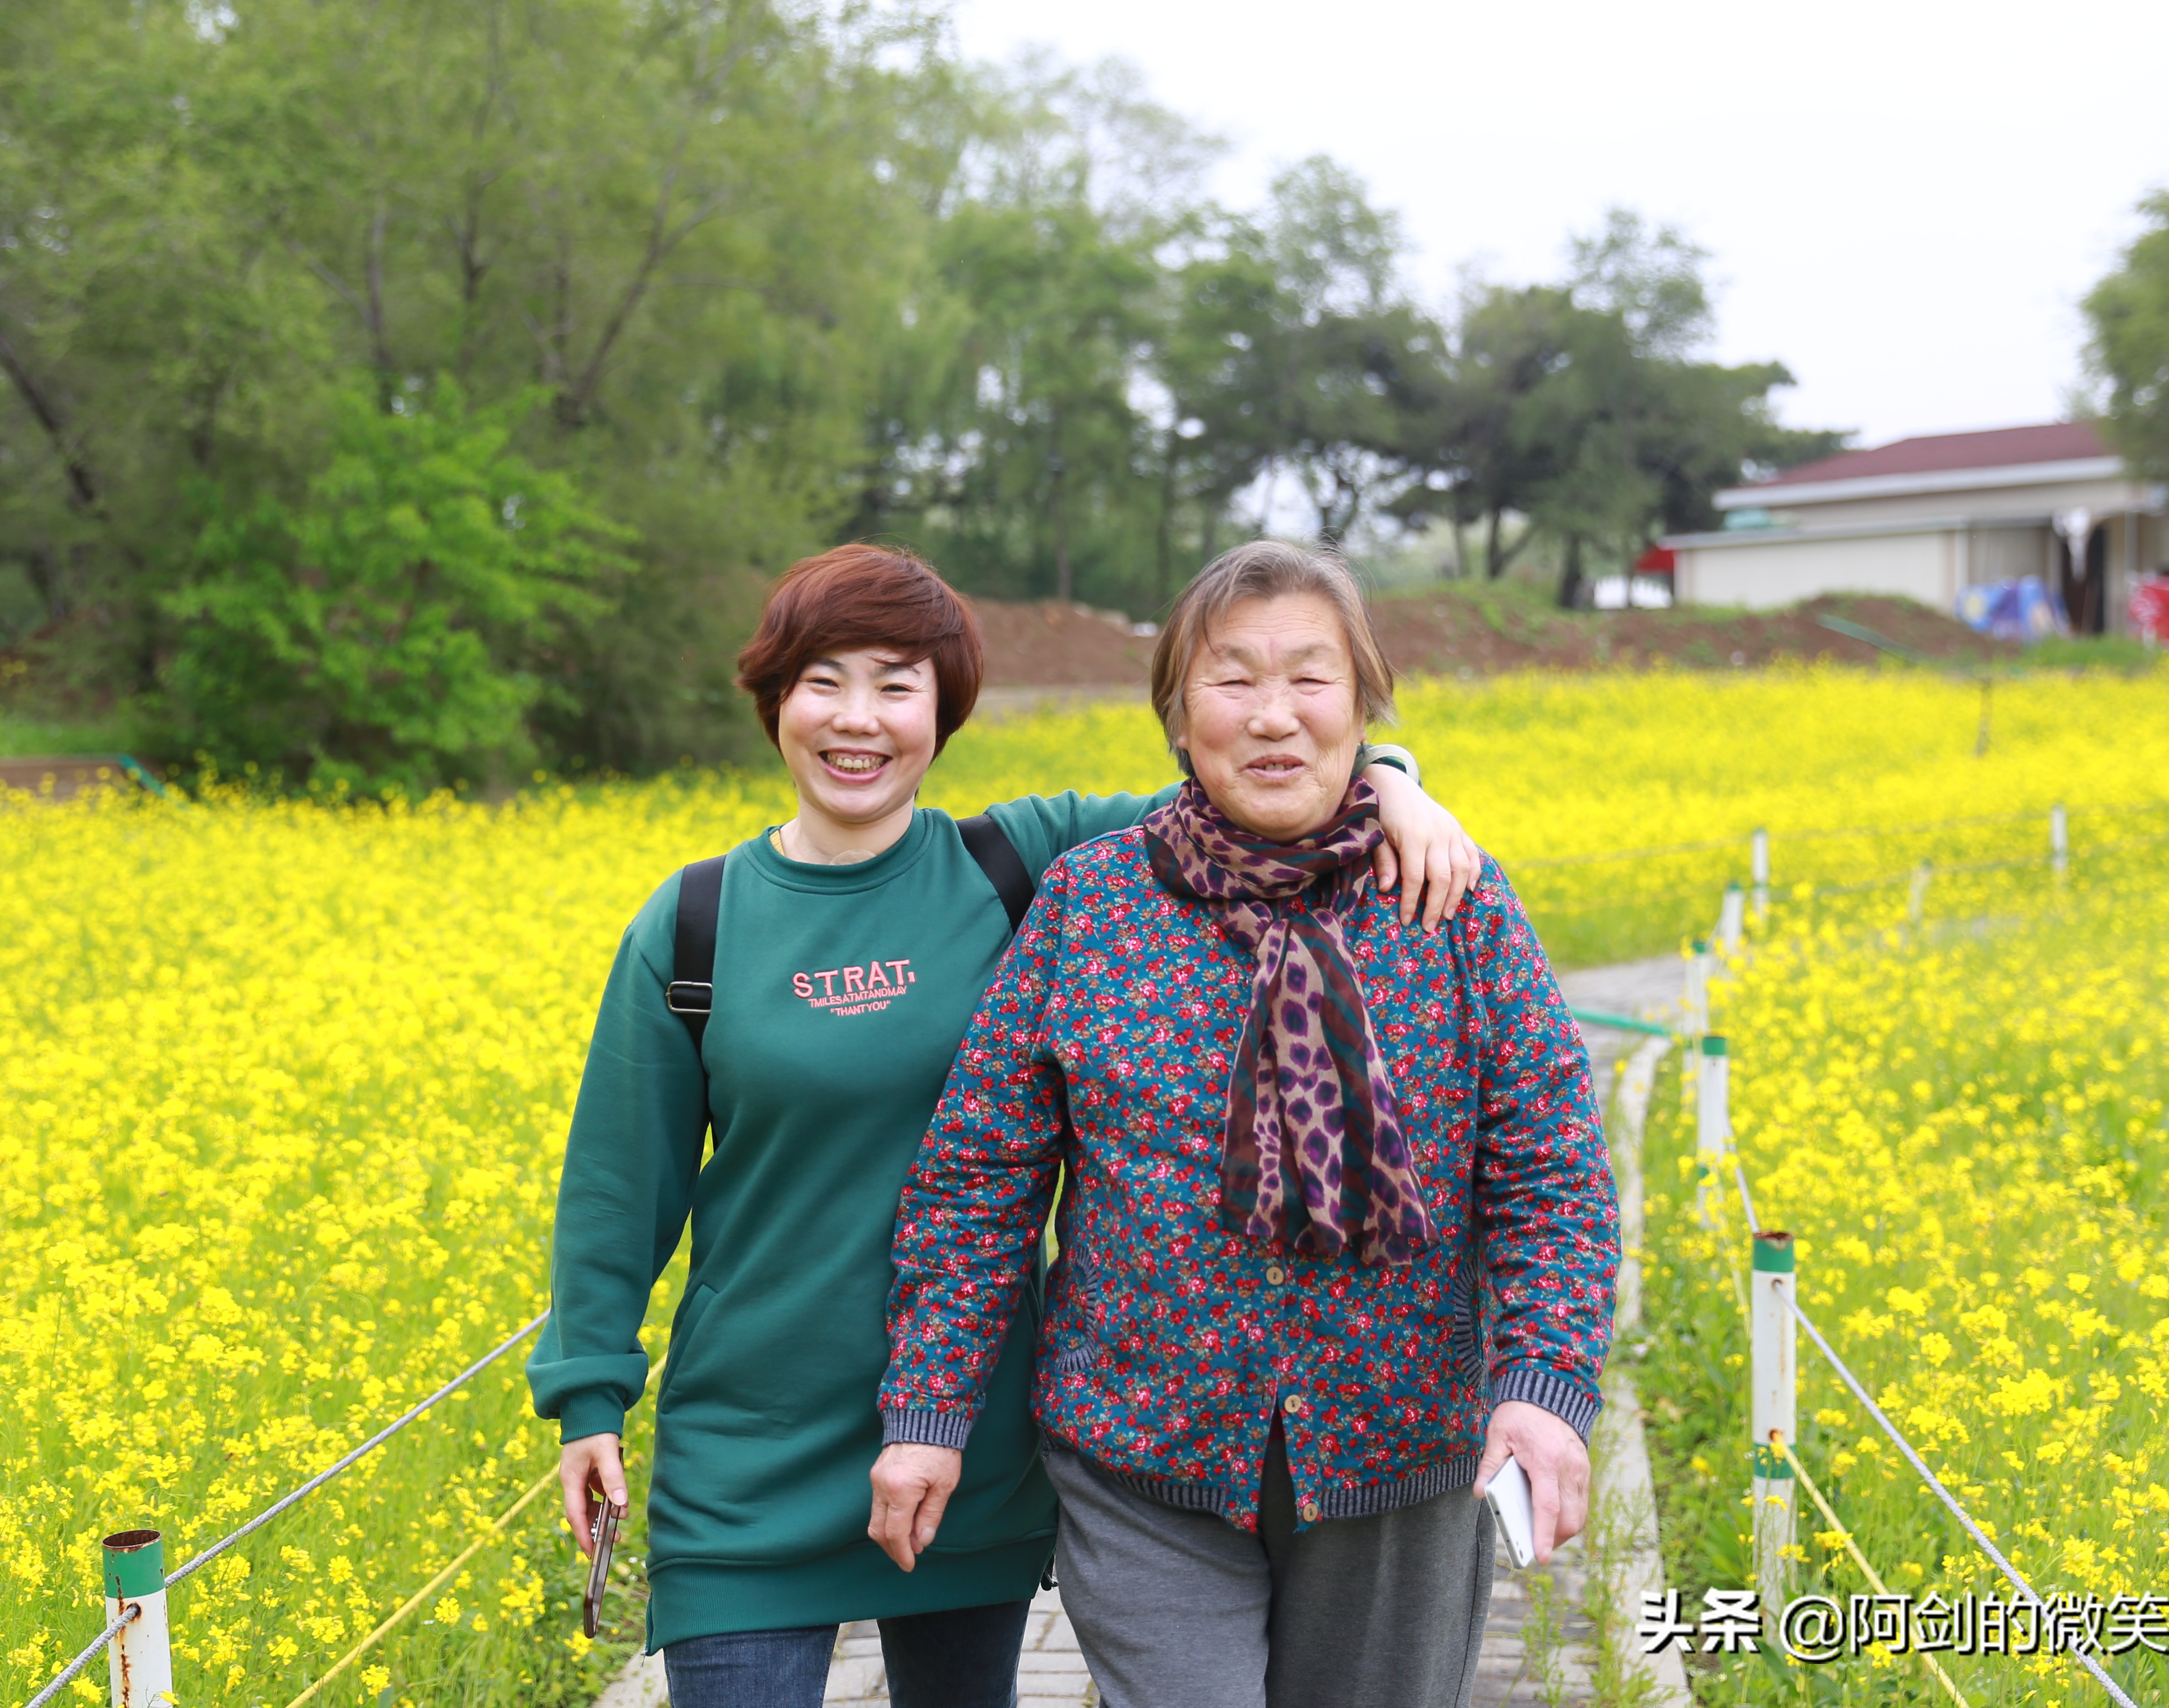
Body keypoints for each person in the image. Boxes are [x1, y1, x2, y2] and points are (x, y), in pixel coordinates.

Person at [528, 542, 1482, 1708]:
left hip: (967, 1438)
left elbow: (1260, 777)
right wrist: (591, 1398)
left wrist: (1393, 778)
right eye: (822, 681)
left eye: (896, 683)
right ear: (775, 699)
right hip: (748, 1449)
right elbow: (621, 1186)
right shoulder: (693, 925)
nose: (858, 720)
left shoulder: (1018, 863)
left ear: (945, 710)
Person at [868, 539, 1618, 1708]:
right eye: (1232, 680)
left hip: (1401, 1452)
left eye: (1310, 678)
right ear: (1177, 719)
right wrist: (929, 1409)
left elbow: (1551, 1172)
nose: (1275, 716)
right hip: (1143, 1454)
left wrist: (1547, 1383)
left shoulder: (1453, 899)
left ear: (1363, 708)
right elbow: (980, 1176)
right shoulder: (1093, 899)